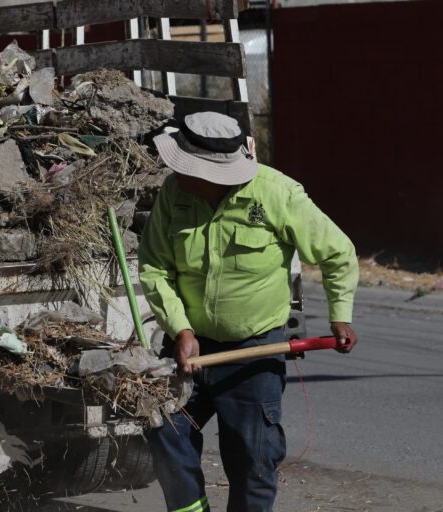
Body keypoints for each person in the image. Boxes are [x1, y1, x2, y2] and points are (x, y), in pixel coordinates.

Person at [139, 112, 359, 512]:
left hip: (254, 352)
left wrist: (339, 315)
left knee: (253, 461)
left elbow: (338, 254)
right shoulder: (175, 194)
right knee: (164, 430)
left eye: (188, 169)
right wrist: (181, 329)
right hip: (190, 348)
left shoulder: (278, 194)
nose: (178, 175)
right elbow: (154, 266)